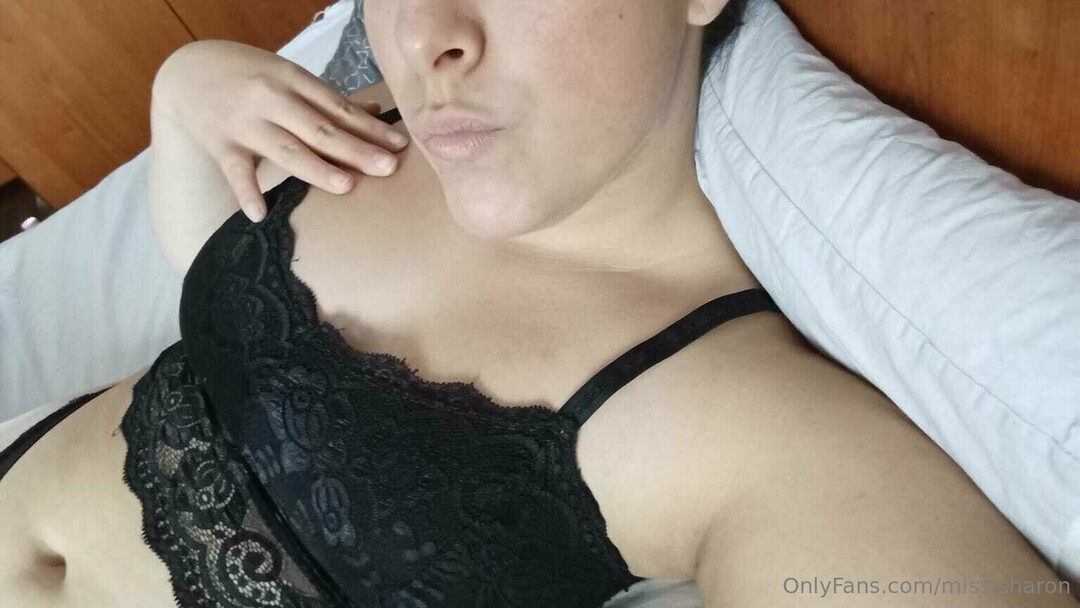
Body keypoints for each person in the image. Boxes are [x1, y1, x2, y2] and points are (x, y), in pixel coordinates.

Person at [0, 0, 1074, 606]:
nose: (428, 38)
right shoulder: (372, 125)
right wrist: (184, 92)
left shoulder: (749, 430)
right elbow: (206, 272)